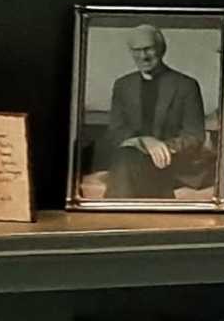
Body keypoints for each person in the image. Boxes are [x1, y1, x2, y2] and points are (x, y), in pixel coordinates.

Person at [83, 25, 212, 200]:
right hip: (131, 158)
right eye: (137, 50)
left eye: (148, 49)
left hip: (171, 162)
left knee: (127, 164)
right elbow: (115, 131)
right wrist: (145, 141)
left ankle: (118, 221)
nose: (143, 56)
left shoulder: (186, 85)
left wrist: (163, 147)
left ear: (161, 49)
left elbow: (194, 135)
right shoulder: (123, 85)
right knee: (127, 159)